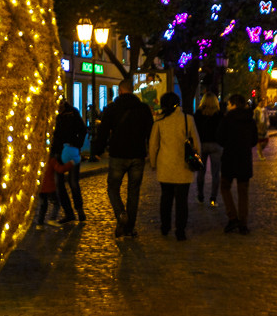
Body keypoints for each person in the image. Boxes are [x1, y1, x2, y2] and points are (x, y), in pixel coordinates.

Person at [92, 83, 154, 239]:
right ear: (132, 91)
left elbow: (103, 131)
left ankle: (120, 213)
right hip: (137, 155)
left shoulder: (112, 108)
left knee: (113, 188)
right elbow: (150, 132)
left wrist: (97, 151)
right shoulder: (143, 109)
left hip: (118, 154)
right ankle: (129, 228)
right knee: (133, 193)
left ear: (119, 91)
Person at [148, 92, 201, 240]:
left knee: (166, 198)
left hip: (165, 165)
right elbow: (196, 143)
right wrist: (197, 160)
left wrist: (153, 162)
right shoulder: (187, 119)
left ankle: (165, 227)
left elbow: (153, 145)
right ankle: (180, 230)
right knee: (182, 200)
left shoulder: (159, 121)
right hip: (183, 166)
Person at [219, 93, 259, 235]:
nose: (228, 106)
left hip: (230, 158)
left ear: (233, 104)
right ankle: (243, 223)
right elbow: (254, 140)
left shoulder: (227, 119)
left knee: (225, 187)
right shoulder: (250, 119)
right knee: (243, 192)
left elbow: (221, 139)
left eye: (229, 104)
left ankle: (232, 217)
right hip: (244, 159)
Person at [51, 100, 88, 222]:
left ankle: (80, 210)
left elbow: (82, 130)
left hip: (71, 150)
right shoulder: (51, 113)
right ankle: (69, 213)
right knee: (58, 184)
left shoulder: (72, 112)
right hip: (57, 152)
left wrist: (77, 144)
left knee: (73, 183)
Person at [193, 92, 224, 206]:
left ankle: (200, 196)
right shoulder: (219, 115)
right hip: (216, 145)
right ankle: (213, 198)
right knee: (216, 173)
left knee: (201, 172)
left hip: (201, 144)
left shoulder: (198, 114)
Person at [35, 154, 75, 228]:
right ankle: (52, 219)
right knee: (56, 203)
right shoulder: (51, 160)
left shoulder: (37, 161)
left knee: (43, 205)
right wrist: (70, 163)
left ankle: (39, 224)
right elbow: (60, 169)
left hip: (40, 187)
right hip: (50, 187)